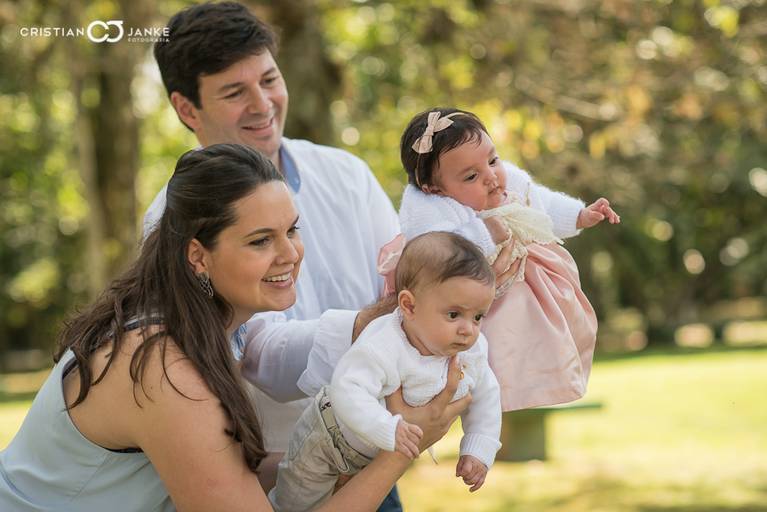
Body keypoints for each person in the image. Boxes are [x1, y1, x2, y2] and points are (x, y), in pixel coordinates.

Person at [147, 3, 520, 504]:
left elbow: (409, 272)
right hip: (271, 476)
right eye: (235, 92)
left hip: (377, 448)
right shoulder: (172, 222)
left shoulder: (345, 174)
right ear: (187, 109)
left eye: (269, 80)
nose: (262, 104)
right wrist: (381, 319)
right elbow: (255, 356)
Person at [0, 144, 462, 511]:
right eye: (261, 241)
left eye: (292, 230)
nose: (290, 254)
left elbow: (226, 475)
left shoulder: (199, 329)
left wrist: (344, 454)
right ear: (198, 256)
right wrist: (401, 449)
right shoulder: (162, 364)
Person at [379, 107, 620, 412]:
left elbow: (541, 203)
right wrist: (483, 233)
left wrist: (580, 215)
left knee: (547, 336)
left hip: (532, 283)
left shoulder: (509, 180)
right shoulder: (430, 210)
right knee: (500, 349)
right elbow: (437, 252)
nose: (491, 177)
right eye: (471, 176)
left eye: (493, 161)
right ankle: (495, 396)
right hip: (480, 304)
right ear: (434, 189)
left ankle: (544, 382)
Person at [270, 232, 502, 511]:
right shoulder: (384, 342)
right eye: (454, 315)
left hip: (377, 454)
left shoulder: (470, 351)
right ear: (409, 306)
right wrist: (387, 428)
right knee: (295, 503)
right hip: (328, 440)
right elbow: (348, 388)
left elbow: (487, 394)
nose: (468, 330)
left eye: (477, 317)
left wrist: (479, 447)